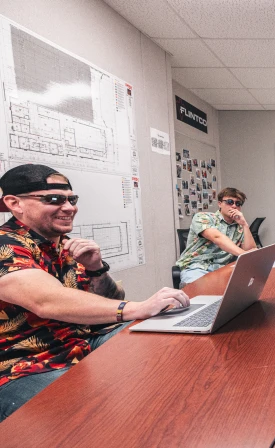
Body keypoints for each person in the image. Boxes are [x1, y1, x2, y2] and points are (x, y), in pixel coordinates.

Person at [0, 164, 189, 421]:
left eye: (72, 199)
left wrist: (96, 269)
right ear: (14, 203)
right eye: (53, 199)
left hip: (83, 342)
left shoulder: (64, 244)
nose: (69, 208)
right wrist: (137, 308)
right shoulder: (6, 244)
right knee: (92, 418)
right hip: (25, 365)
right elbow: (46, 300)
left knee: (171, 348)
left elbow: (110, 303)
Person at [176, 187, 257, 286]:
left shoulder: (239, 226)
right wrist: (244, 255)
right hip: (197, 267)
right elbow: (217, 238)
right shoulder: (203, 217)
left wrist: (244, 224)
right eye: (230, 202)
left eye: (238, 203)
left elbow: (251, 250)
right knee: (198, 297)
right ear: (220, 204)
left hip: (223, 269)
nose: (234, 206)